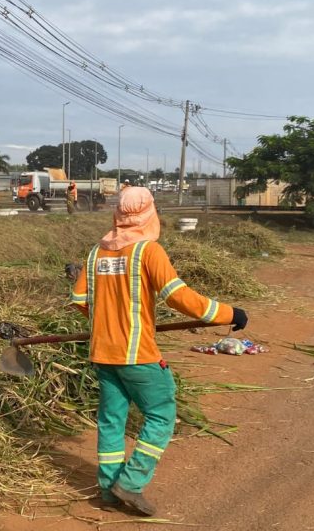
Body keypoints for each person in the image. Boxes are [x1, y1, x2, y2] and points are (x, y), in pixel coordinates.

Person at [68, 186, 248, 516]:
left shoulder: (95, 253)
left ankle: (108, 491)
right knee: (161, 415)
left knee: (111, 422)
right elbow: (180, 297)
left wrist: (106, 317)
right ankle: (131, 483)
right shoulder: (147, 252)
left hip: (102, 353)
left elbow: (79, 300)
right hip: (138, 354)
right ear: (150, 214)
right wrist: (230, 313)